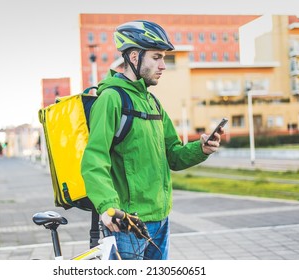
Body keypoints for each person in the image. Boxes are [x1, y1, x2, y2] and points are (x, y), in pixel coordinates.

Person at [81, 20, 224, 260]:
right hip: (127, 223)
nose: (163, 65)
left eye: (164, 58)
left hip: (160, 220)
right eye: (156, 57)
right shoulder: (112, 99)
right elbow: (94, 159)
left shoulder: (152, 102)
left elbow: (173, 154)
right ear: (135, 57)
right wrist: (107, 206)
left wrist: (201, 148)